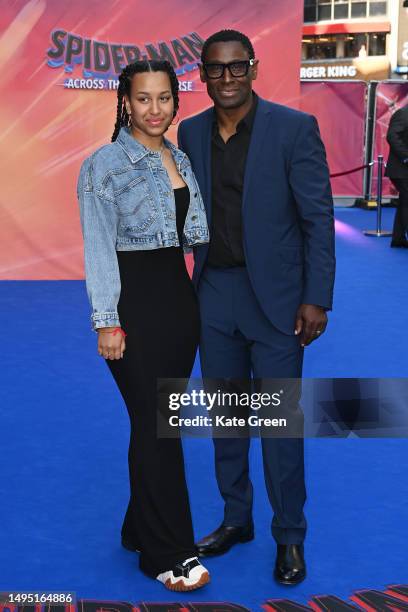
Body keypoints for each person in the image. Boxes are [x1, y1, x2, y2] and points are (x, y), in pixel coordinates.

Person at [177, 30, 335, 585]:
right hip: (214, 296)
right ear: (202, 74)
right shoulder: (190, 132)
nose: (227, 78)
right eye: (216, 70)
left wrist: (317, 297)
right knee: (227, 421)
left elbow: (317, 219)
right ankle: (236, 520)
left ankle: (289, 535)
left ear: (254, 68)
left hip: (277, 303)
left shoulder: (294, 129)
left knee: (278, 427)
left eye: (236, 67)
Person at [76, 59, 210, 591]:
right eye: (143, 98)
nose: (154, 109)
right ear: (124, 102)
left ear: (176, 101)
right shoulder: (103, 165)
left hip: (180, 307)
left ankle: (138, 527)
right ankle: (167, 552)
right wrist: (107, 321)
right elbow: (98, 249)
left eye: (164, 98)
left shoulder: (179, 157)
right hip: (134, 310)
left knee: (158, 424)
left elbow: (192, 237)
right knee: (159, 427)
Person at [385, 104, 408, 248]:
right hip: (401, 169)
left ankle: (398, 238)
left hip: (403, 169)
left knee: (405, 202)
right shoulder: (403, 113)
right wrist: (406, 156)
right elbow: (392, 136)